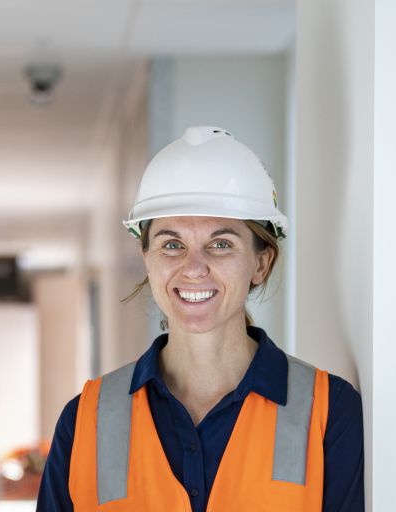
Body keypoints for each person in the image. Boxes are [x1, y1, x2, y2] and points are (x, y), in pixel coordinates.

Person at [37, 126, 364, 511]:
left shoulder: (329, 412)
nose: (194, 268)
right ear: (147, 258)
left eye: (221, 244)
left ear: (262, 262)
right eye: (171, 244)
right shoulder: (85, 422)